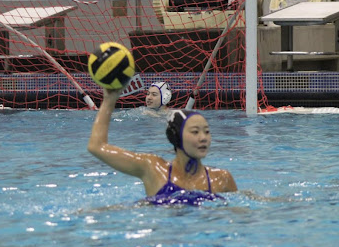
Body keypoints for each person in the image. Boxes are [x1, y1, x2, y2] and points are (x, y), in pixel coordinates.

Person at [88, 88, 237, 206]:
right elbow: (97, 146)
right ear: (175, 136)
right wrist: (109, 99)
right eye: (195, 132)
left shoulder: (221, 179)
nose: (203, 138)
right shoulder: (153, 169)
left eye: (207, 132)